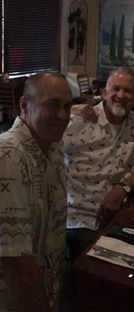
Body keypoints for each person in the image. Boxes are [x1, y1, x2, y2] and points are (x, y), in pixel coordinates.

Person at [64, 67, 134, 259]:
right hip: (80, 221)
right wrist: (68, 108)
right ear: (104, 93)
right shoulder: (79, 120)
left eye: (128, 91)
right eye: (116, 89)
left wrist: (122, 188)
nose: (121, 95)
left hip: (121, 215)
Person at [0, 73, 73, 312]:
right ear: (24, 105)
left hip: (50, 288)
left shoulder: (52, 146)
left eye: (67, 106)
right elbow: (14, 263)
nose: (63, 115)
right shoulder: (8, 156)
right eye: (52, 105)